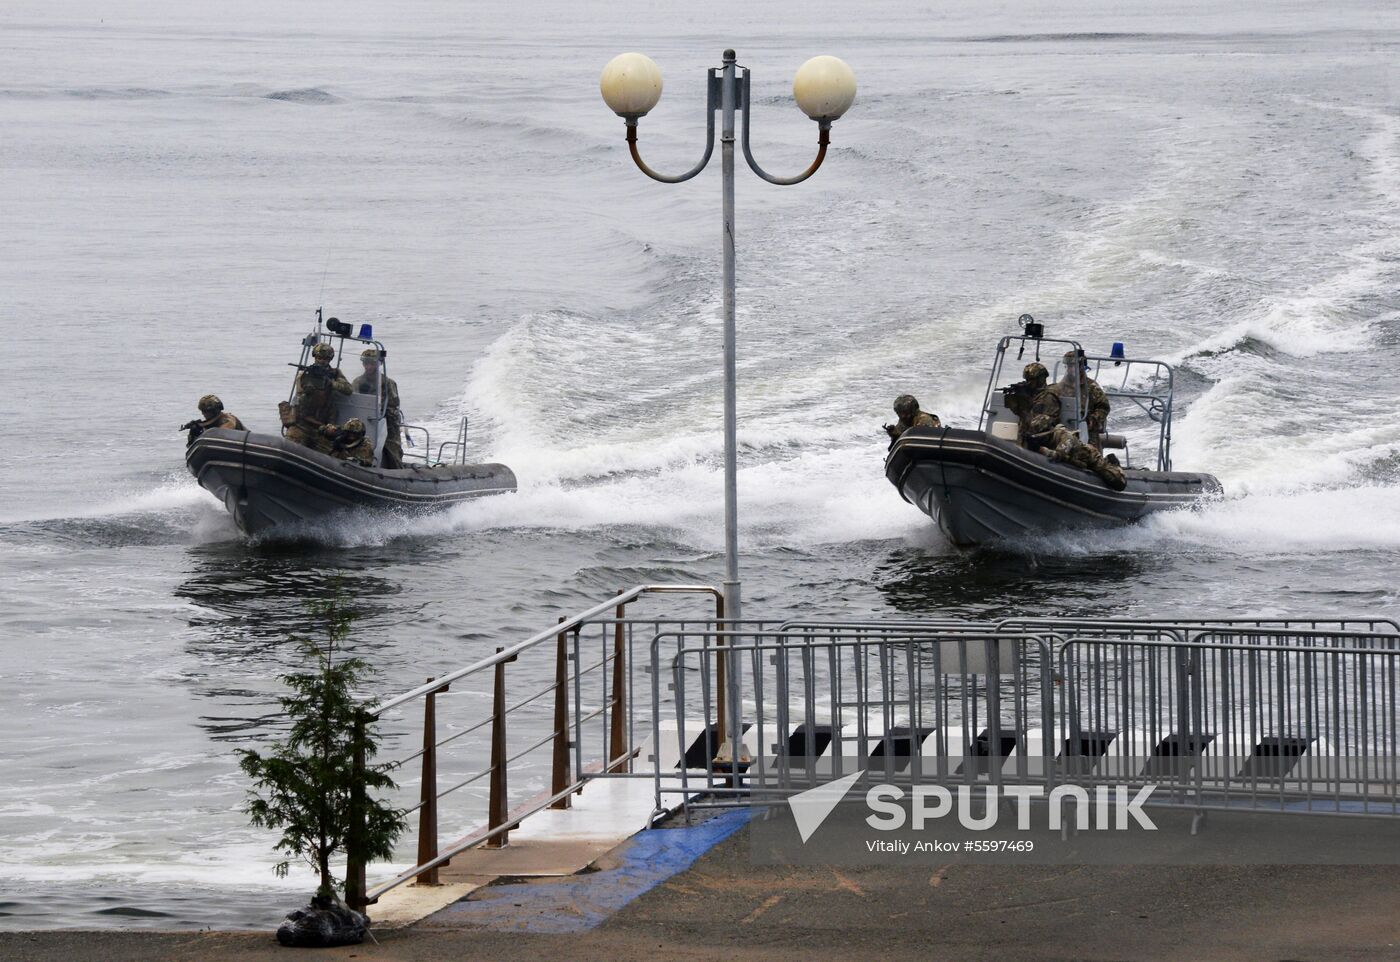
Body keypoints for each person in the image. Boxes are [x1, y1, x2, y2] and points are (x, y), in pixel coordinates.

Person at [280, 342, 352, 453]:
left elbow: (348, 389)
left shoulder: (335, 373)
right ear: (315, 357)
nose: (322, 361)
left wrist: (331, 383)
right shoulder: (306, 374)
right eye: (319, 357)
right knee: (289, 449)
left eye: (325, 358)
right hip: (302, 423)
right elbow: (299, 398)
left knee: (327, 456)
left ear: (330, 359)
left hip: (323, 425)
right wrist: (306, 389)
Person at [351, 348, 403, 469]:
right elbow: (353, 402)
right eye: (366, 363)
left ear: (378, 364)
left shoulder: (388, 384)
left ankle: (396, 470)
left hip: (385, 422)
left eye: (372, 363)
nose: (368, 367)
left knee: (392, 449)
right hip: (363, 420)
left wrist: (382, 416)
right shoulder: (357, 382)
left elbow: (393, 407)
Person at [1057, 349, 1111, 441]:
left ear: (1081, 366)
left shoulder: (1091, 387)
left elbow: (1104, 407)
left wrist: (1091, 421)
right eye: (1068, 366)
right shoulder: (1061, 386)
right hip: (1065, 428)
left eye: (1072, 366)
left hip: (1087, 431)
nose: (1069, 369)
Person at [181, 394, 246, 445]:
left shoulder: (228, 420)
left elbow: (220, 434)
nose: (203, 414)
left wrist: (203, 430)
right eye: (202, 411)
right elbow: (191, 447)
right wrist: (195, 434)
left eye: (205, 411)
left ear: (215, 411)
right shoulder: (209, 423)